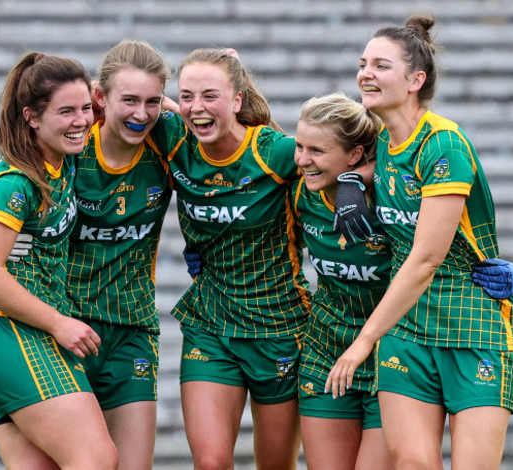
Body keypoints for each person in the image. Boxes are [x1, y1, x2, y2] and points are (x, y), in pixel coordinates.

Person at [326, 14, 513, 469]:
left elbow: (426, 259)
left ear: (416, 79)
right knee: (413, 465)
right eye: (362, 63)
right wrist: (354, 177)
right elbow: (318, 144)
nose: (365, 74)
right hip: (407, 329)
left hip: (472, 323)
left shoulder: (444, 144)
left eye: (380, 65)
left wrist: (362, 342)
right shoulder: (383, 141)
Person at [150, 48, 310, 470]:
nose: (196, 108)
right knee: (211, 462)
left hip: (279, 326)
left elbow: (349, 146)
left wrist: (350, 181)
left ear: (237, 101)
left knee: (275, 465)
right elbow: (106, 101)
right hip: (211, 324)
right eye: (186, 96)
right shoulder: (173, 136)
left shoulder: (274, 152)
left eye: (210, 96)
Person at [0, 52, 118, 469]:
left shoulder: (61, 156)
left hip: (20, 331)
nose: (81, 120)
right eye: (65, 111)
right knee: (97, 460)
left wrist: (193, 100)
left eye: (86, 108)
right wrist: (59, 323)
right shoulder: (17, 180)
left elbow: (128, 100)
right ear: (31, 117)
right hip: (8, 331)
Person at [65, 39, 173, 470]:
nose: (141, 114)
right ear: (99, 98)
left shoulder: (168, 144)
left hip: (132, 329)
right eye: (129, 100)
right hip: (66, 328)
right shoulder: (70, 146)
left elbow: (237, 135)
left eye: (152, 102)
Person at [291, 92, 393, 470]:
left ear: (355, 154)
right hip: (326, 349)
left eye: (317, 150)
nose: (302, 159)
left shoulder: (392, 194)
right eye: (300, 146)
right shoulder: (300, 188)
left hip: (390, 352)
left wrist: (357, 179)